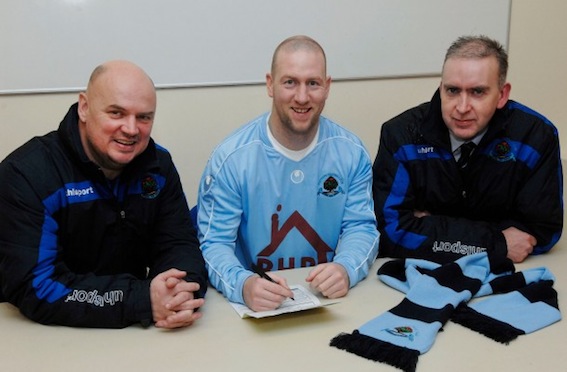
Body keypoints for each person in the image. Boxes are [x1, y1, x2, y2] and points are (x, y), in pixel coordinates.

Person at [0, 60, 207, 329]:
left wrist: (179, 292)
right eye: (116, 113)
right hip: (48, 337)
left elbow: (179, 243)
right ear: (84, 107)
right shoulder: (26, 175)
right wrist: (142, 300)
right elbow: (35, 286)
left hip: (136, 331)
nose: (132, 129)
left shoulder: (158, 166)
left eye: (144, 117)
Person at [196, 35, 379, 312]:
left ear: (327, 87)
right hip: (257, 307)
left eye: (313, 83)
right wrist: (242, 284)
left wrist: (345, 268)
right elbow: (214, 243)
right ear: (270, 84)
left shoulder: (351, 153)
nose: (302, 97)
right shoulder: (232, 158)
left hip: (327, 304)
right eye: (290, 82)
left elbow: (361, 228)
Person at [373, 35, 563, 264]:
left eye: (478, 92)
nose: (462, 108)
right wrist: (495, 242)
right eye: (452, 91)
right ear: (441, 88)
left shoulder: (536, 137)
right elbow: (389, 232)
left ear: (502, 95)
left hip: (510, 276)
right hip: (422, 273)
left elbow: (540, 231)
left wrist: (431, 226)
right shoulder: (401, 135)